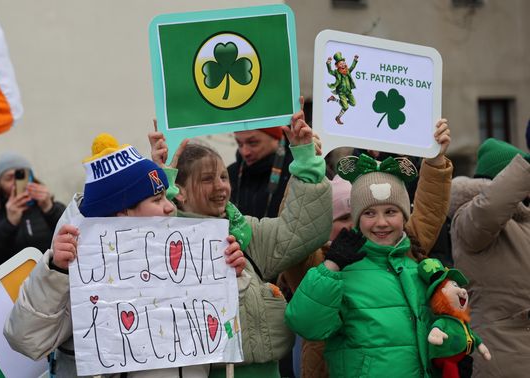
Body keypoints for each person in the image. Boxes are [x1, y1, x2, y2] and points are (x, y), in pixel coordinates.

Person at [4, 134, 245, 378]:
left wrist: (227, 275)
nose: (170, 206)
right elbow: (26, 339)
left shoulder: (184, 255)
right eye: (157, 199)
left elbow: (219, 330)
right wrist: (56, 272)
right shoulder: (82, 268)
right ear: (123, 214)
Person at [150, 103, 333, 378]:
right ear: (181, 193)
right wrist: (160, 184)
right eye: (207, 179)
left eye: (223, 176)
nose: (221, 186)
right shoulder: (160, 241)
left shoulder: (245, 231)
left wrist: (306, 161)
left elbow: (300, 231)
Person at [281, 119, 453, 378]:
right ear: (358, 217)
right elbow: (291, 235)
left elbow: (431, 209)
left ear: (404, 216)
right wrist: (305, 166)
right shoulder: (326, 265)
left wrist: (436, 159)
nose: (382, 222)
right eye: (369, 213)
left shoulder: (409, 250)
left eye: (391, 211)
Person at [449, 138, 530, 377]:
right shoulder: (469, 217)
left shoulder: (523, 220)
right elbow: (489, 208)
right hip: (502, 353)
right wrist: (525, 165)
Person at [0, 152, 64, 273]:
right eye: (9, 178)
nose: (15, 183)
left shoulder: (51, 207)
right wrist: (9, 224)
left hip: (56, 280)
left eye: (21, 176)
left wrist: (50, 209)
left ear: (32, 177)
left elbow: (77, 236)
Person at [227, 127, 292, 219]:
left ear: (276, 138)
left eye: (253, 143)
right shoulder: (230, 174)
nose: (245, 152)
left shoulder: (295, 173)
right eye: (240, 144)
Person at [326, 52, 358, 125]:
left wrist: (355, 60)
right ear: (337, 66)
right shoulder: (336, 72)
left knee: (353, 103)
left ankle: (334, 99)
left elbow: (352, 67)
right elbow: (330, 71)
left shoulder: (347, 71)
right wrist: (328, 63)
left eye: (343, 63)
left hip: (348, 91)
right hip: (341, 92)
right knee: (346, 107)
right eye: (340, 64)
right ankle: (338, 117)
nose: (343, 64)